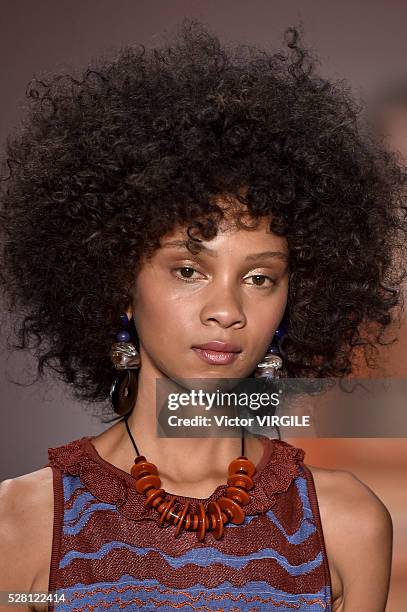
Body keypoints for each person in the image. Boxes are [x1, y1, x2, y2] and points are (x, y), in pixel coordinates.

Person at [0, 21, 405, 612]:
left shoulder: (346, 525)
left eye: (259, 277)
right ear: (120, 283)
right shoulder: (23, 525)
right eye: (188, 270)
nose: (226, 311)